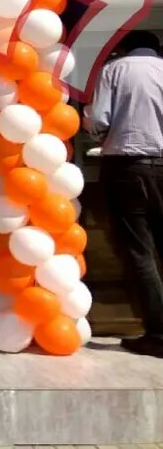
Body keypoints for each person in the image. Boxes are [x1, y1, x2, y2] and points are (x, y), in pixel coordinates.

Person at [87, 29, 163, 357]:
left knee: (139, 252)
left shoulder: (114, 70)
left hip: (128, 168)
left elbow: (99, 120)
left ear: (123, 48)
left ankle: (158, 335)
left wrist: (93, 129)